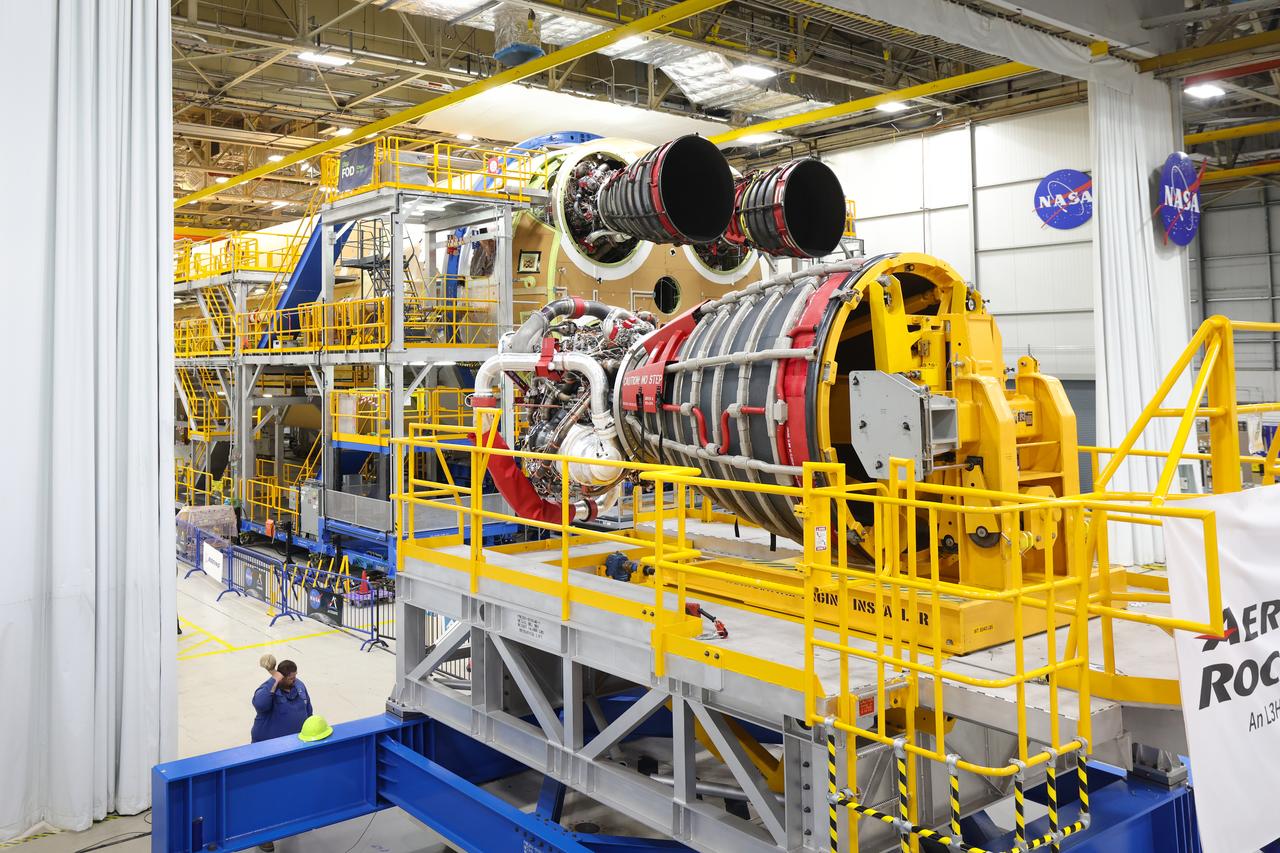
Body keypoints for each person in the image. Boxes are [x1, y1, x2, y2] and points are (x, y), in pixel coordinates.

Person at [250, 660, 313, 851]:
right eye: (290, 678)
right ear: (281, 676)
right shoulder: (268, 689)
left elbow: (309, 710)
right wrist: (274, 680)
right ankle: (264, 835)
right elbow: (259, 704)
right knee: (267, 794)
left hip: (293, 750)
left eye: (295, 676)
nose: (294, 681)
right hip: (267, 753)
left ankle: (291, 821)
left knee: (291, 788)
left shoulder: (300, 687)